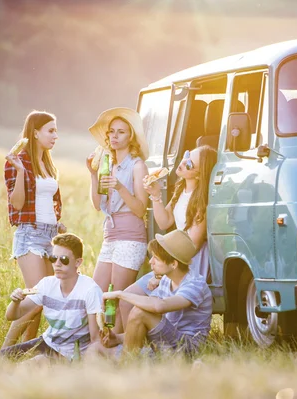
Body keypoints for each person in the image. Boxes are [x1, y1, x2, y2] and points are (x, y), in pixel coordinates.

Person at [119, 145, 217, 330]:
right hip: (172, 260)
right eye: (187, 154)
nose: (183, 161)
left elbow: (191, 246)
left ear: (198, 174)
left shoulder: (201, 201)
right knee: (126, 300)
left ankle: (138, 348)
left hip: (186, 264)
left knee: (146, 306)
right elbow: (164, 222)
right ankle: (130, 347)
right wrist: (156, 196)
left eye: (190, 163)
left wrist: (161, 274)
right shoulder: (181, 191)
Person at [87, 229, 213, 357]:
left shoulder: (195, 284)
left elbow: (159, 306)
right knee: (95, 348)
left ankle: (128, 363)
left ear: (174, 264)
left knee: (139, 312)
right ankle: (130, 361)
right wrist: (118, 338)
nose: (150, 261)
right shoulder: (166, 280)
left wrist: (119, 294)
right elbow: (154, 323)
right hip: (163, 347)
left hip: (186, 349)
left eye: (156, 259)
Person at [2, 110, 67, 348]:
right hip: (29, 236)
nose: (55, 136)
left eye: (56, 130)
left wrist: (56, 223)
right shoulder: (16, 161)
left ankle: (23, 351)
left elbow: (47, 203)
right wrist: (19, 171)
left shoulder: (48, 164)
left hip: (50, 237)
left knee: (43, 301)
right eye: (51, 130)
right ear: (35, 132)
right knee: (39, 298)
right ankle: (5, 351)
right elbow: (17, 203)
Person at [85, 107, 149, 323]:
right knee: (96, 293)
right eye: (112, 131)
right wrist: (93, 175)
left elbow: (141, 209)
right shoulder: (107, 165)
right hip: (110, 235)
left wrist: (121, 187)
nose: (114, 136)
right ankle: (102, 342)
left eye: (121, 132)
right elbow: (96, 204)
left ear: (131, 136)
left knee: (119, 298)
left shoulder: (137, 166)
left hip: (131, 236)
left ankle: (122, 348)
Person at [0, 233, 102, 361]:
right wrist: (15, 302)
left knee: (32, 364)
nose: (57, 264)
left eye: (64, 259)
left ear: (78, 262)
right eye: (53, 258)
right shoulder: (47, 284)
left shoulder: (90, 289)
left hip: (71, 352)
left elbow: (95, 339)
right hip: (48, 342)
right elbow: (12, 316)